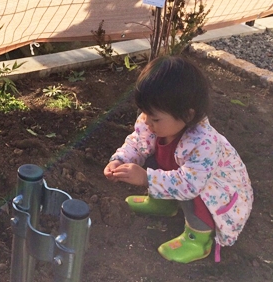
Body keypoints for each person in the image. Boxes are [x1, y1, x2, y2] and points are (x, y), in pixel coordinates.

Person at [103, 56, 253, 264]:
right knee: (153, 156)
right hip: (183, 179)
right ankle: (162, 204)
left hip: (215, 193)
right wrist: (120, 159)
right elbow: (138, 143)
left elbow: (189, 185)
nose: (146, 121)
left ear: (188, 115)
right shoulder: (156, 123)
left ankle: (198, 239)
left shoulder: (204, 144)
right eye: (145, 113)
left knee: (197, 195)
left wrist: (146, 179)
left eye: (155, 118)